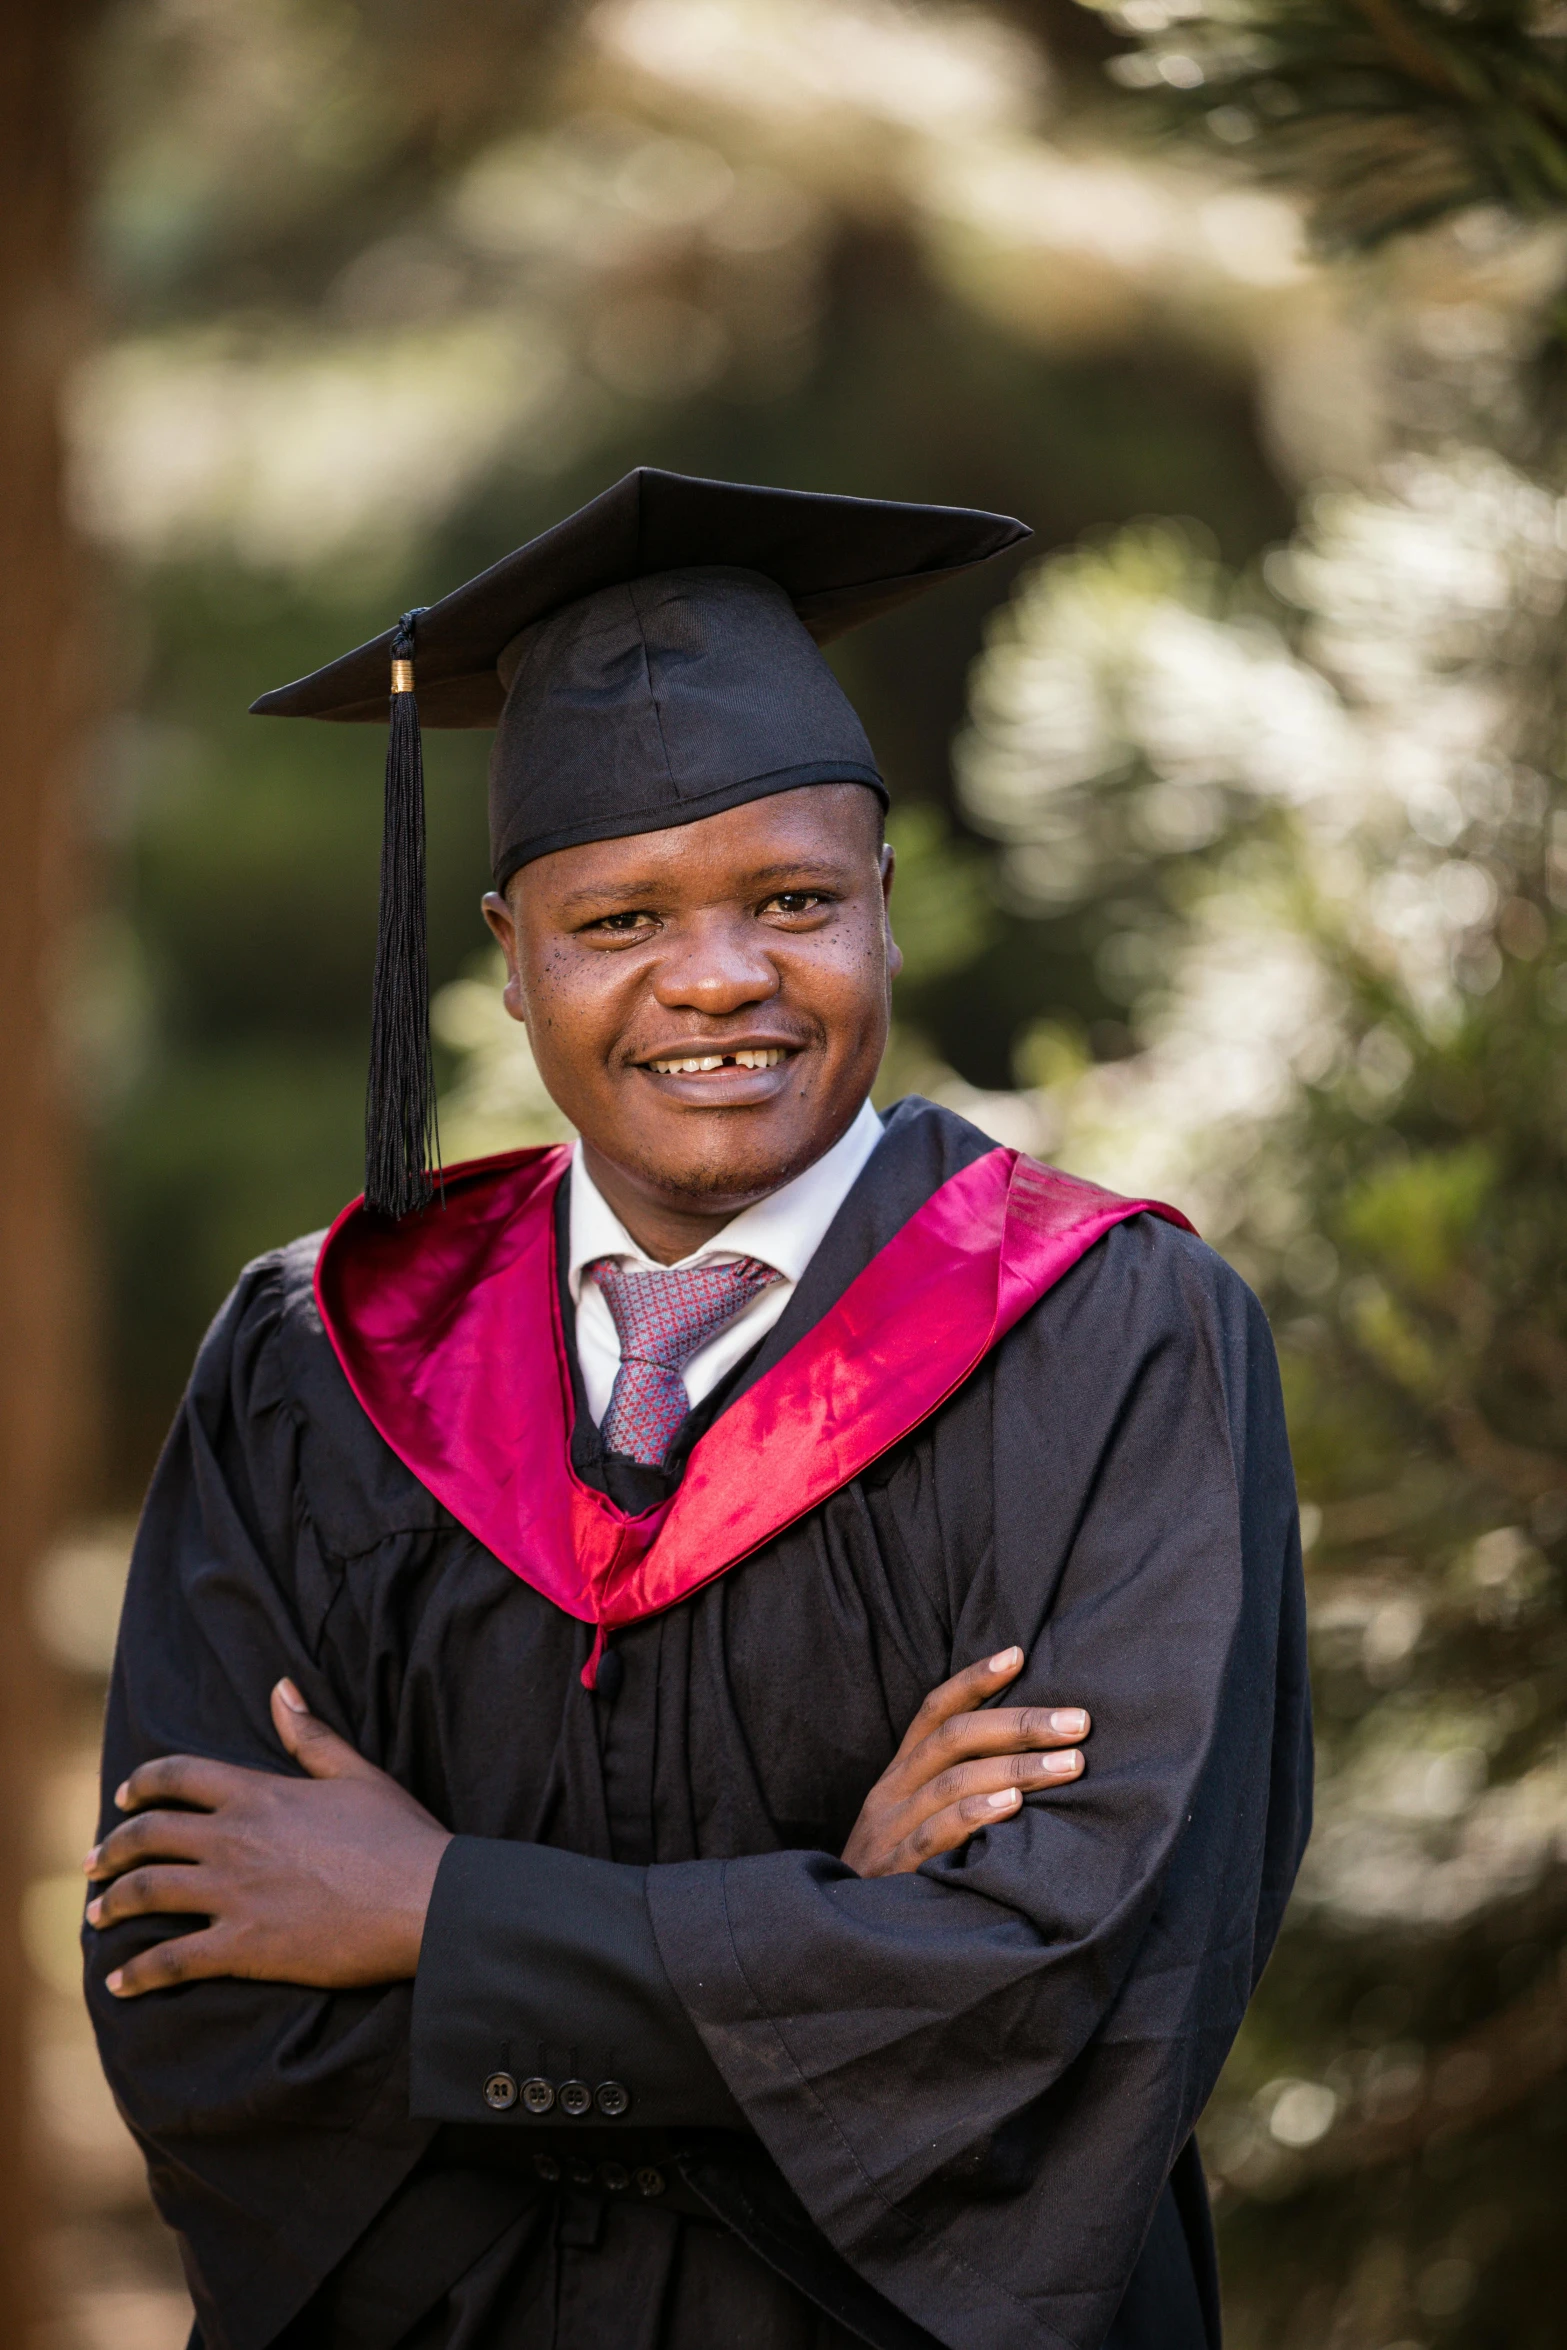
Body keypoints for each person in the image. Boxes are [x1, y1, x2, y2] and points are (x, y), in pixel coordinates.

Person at [84, 468, 1312, 2350]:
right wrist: (830, 1935)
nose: (718, 976)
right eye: (620, 917)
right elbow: (206, 1985)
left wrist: (440, 1914)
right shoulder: (317, 1360)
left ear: (886, 910)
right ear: (504, 952)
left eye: (793, 898)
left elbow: (1069, 1988)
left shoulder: (1111, 1337)